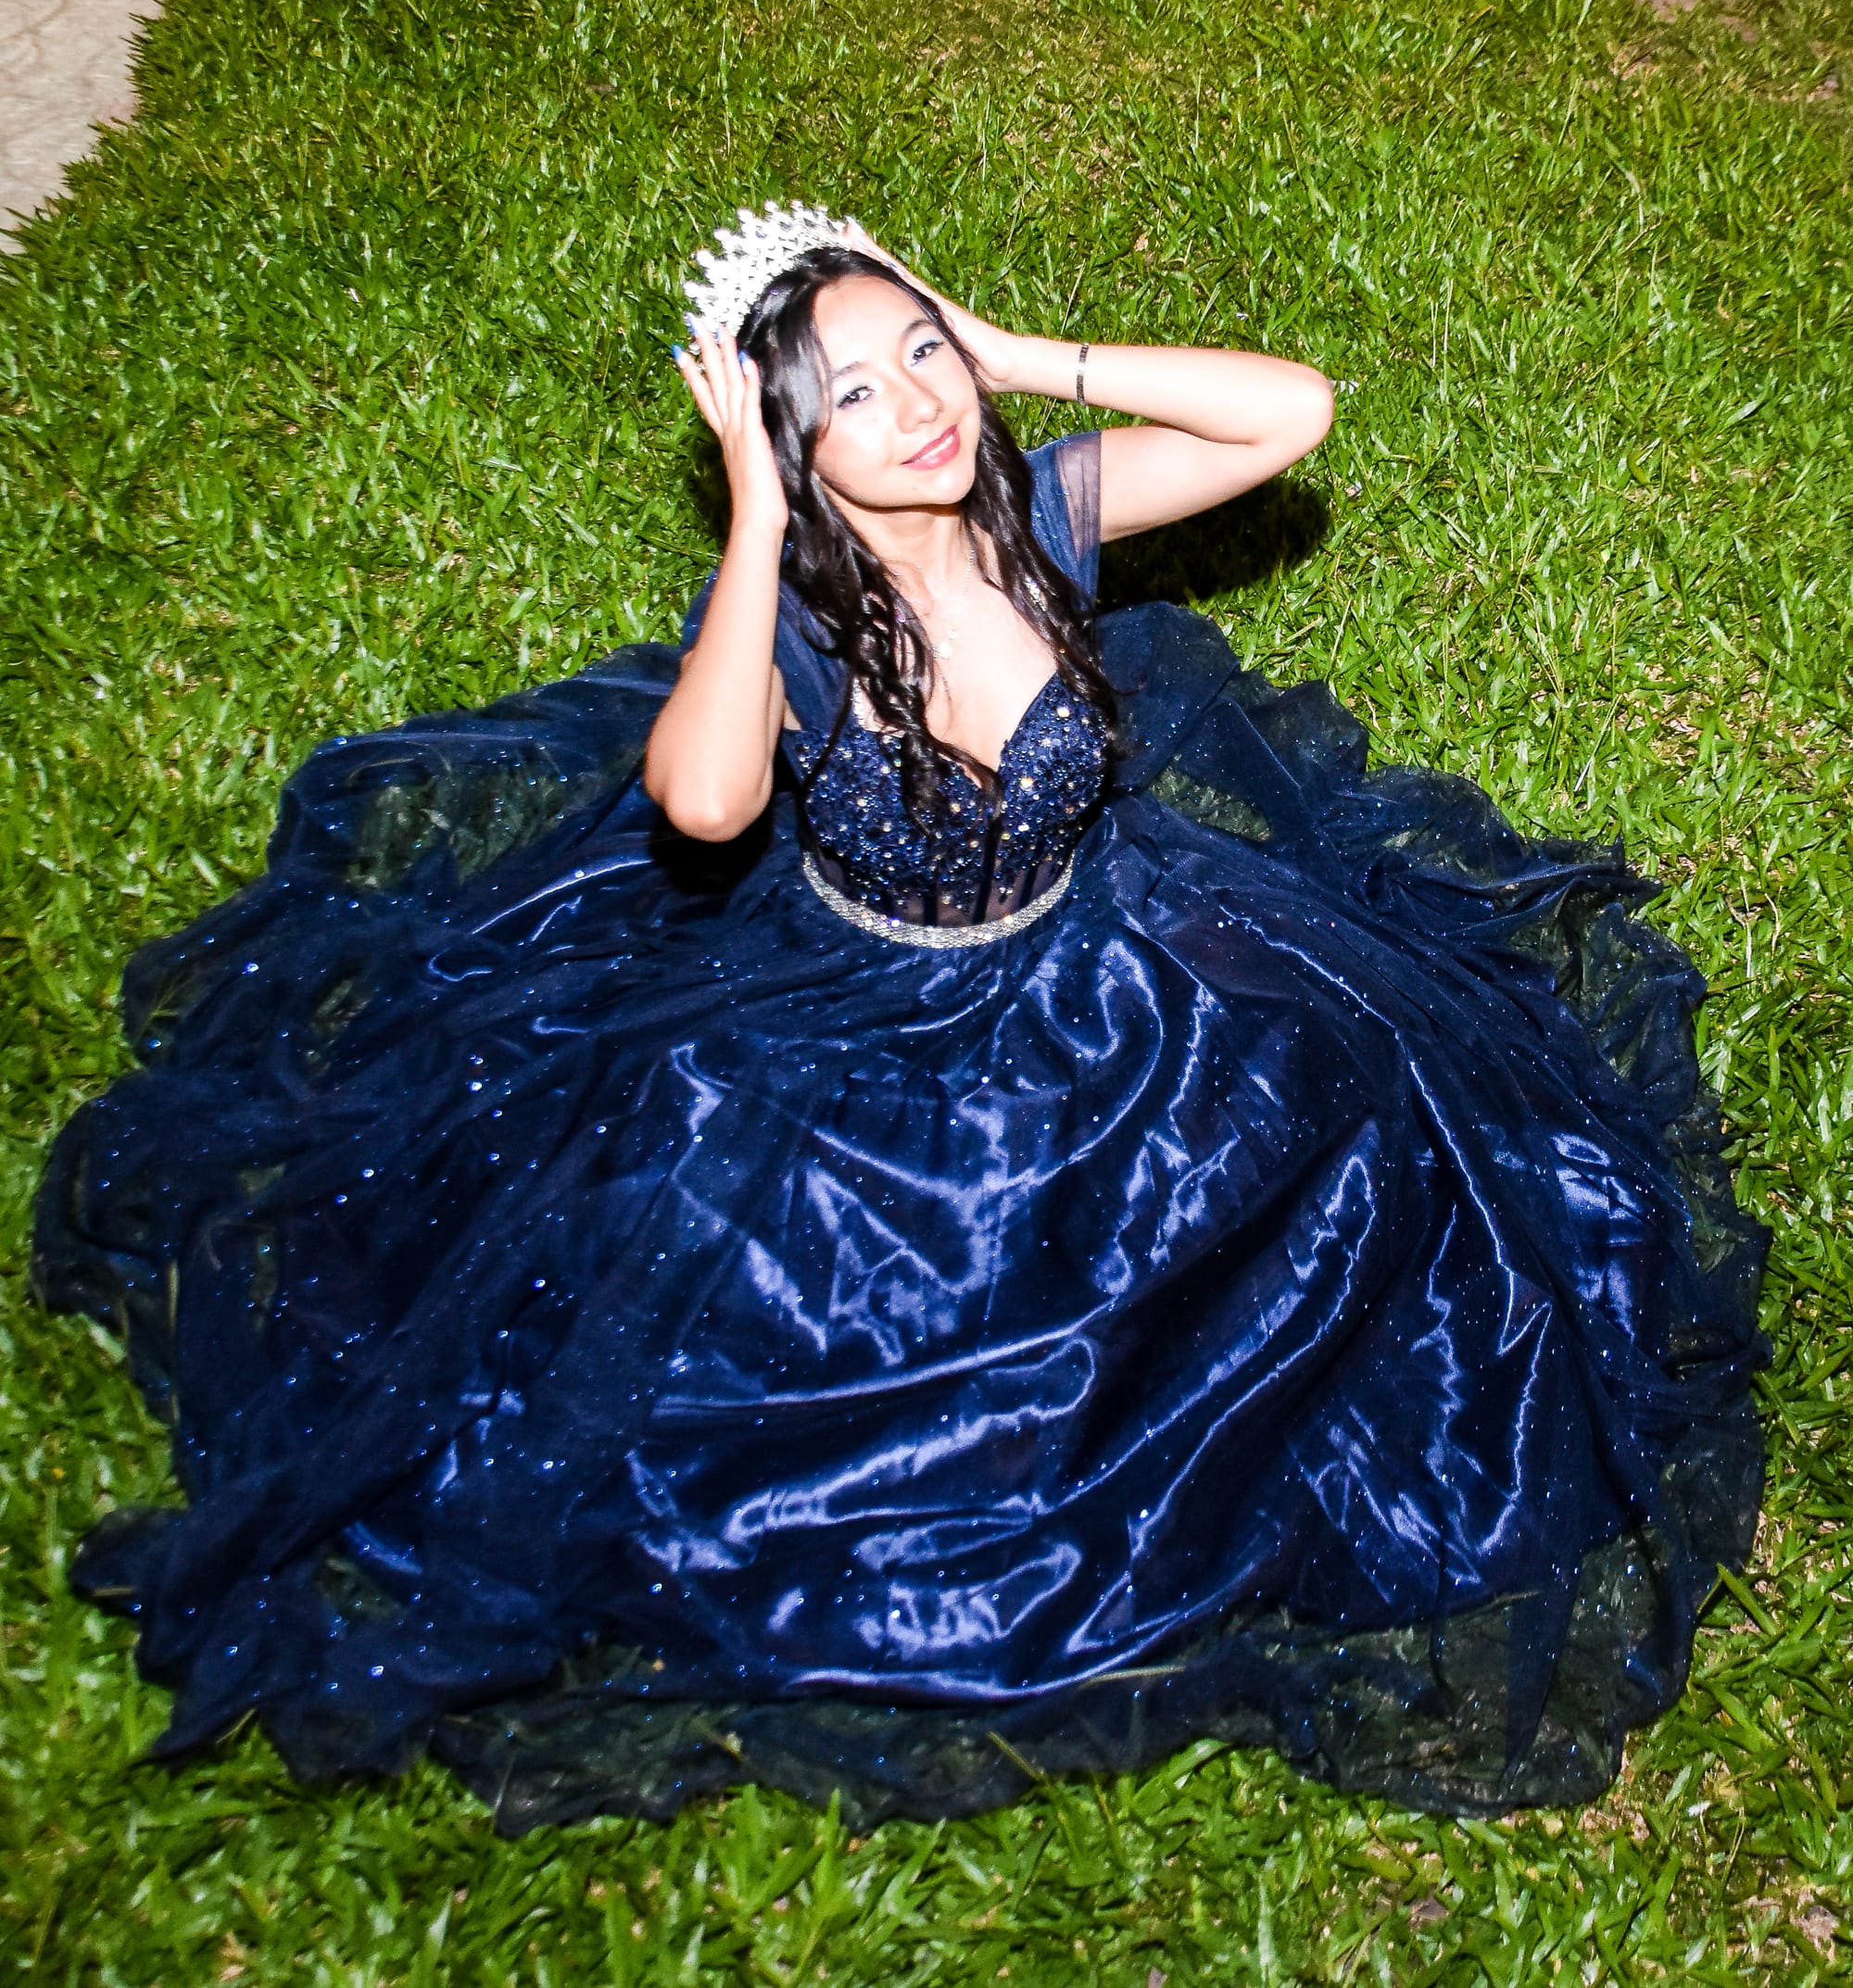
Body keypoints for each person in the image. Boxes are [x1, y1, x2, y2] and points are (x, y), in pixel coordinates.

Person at [34, 205, 1768, 1837]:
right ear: (793, 447)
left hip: (1110, 961)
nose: (916, 406)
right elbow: (705, 801)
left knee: (1360, 1133)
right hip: (863, 1024)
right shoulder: (796, 624)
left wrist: (1012, 352)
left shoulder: (1042, 514)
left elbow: (1289, 413)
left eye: (920, 353)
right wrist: (756, 525)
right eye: (850, 396)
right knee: (791, 1325)